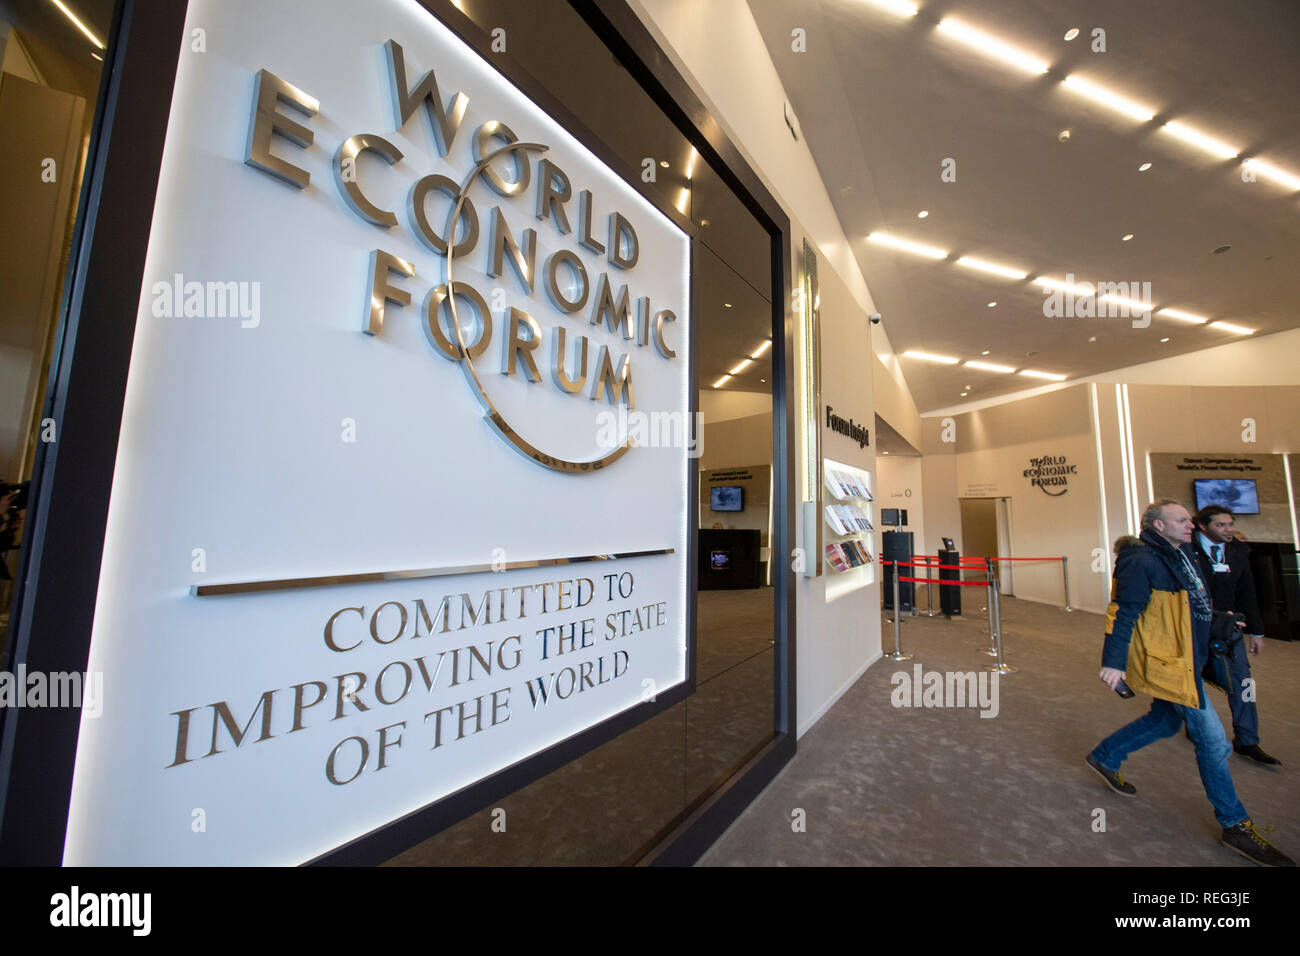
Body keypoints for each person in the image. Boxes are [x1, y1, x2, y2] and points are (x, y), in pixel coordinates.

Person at [1085, 499, 1293, 866]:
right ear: (1158, 525)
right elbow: (1123, 611)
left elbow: (1192, 605)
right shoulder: (1140, 559)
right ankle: (1235, 825)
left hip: (1189, 658)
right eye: (1181, 520)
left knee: (1165, 720)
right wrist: (1114, 662)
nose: (1190, 525)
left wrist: (1221, 620)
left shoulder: (1184, 554)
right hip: (1171, 664)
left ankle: (1105, 755)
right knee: (1214, 742)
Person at [1191, 505, 1280, 765]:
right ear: (1203, 526)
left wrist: (1257, 631)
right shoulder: (1186, 549)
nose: (1228, 529)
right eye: (1221, 525)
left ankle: (1247, 740)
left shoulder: (1238, 551)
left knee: (1244, 682)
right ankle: (1194, 725)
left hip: (1229, 627)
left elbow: (1247, 592)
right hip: (1195, 626)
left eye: (1230, 524)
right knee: (1191, 680)